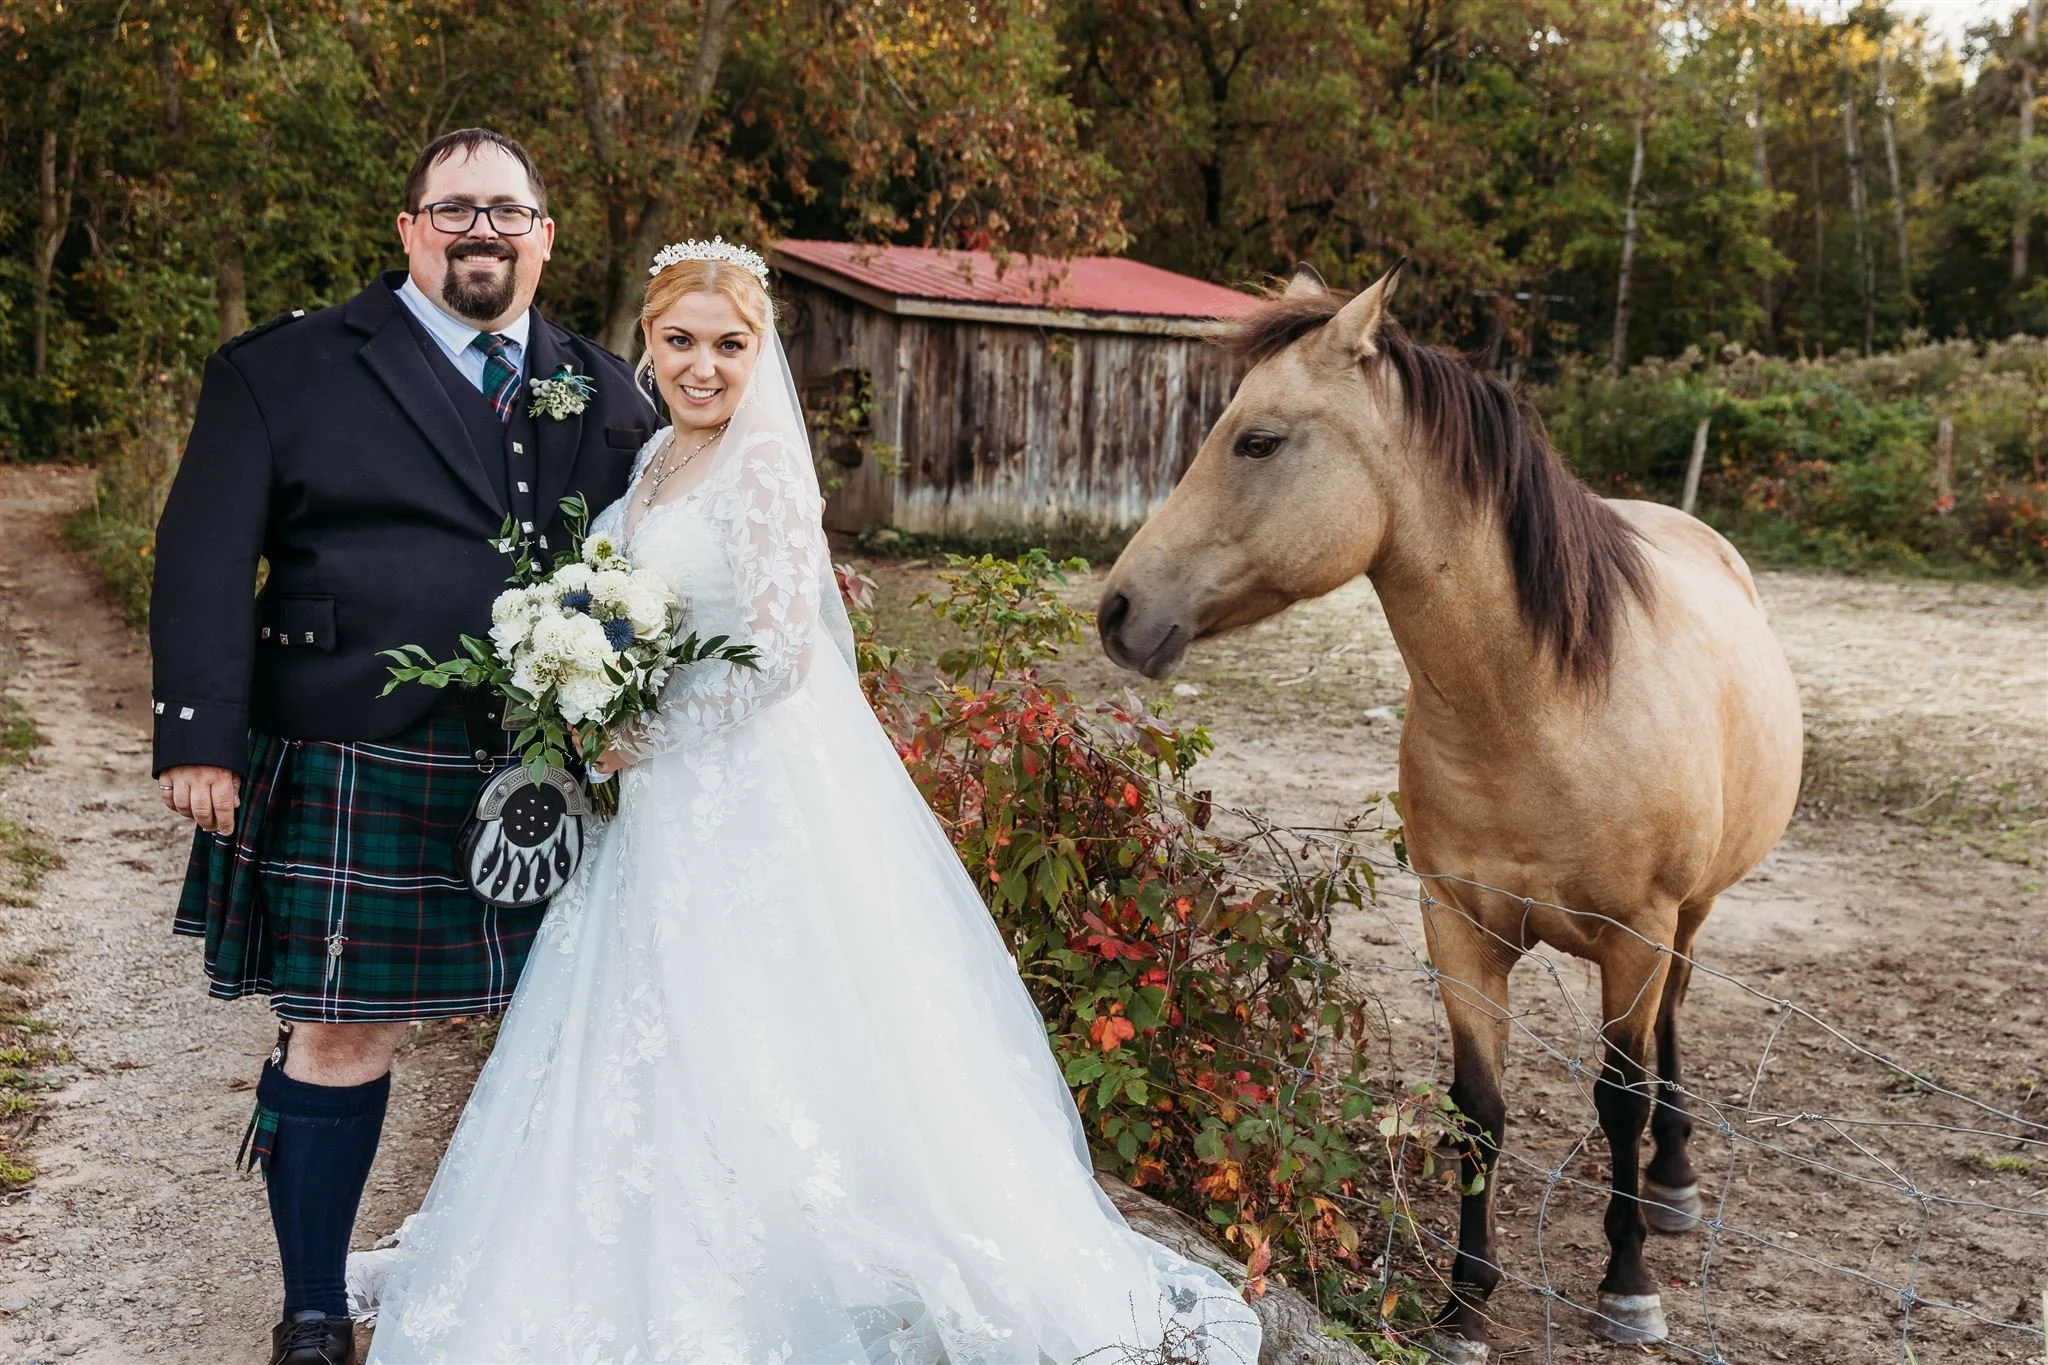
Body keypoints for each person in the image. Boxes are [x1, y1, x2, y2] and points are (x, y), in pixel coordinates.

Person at [358, 240, 1264, 1365]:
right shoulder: (649, 468)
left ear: (760, 350)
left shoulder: (764, 468)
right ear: (648, 341)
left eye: (728, 346)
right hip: (650, 808)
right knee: (645, 1017)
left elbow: (780, 654)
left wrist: (643, 728)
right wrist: (585, 697)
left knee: (760, 1015)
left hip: (744, 790)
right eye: (680, 342)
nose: (701, 367)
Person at [149, 128, 657, 1365]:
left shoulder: (608, 387)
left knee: (563, 1029)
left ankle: (522, 1289)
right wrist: (197, 734)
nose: (479, 229)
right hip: (352, 742)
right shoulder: (286, 367)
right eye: (453, 208)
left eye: (505, 210)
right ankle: (314, 1311)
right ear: (409, 230)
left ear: (542, 236)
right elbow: (205, 556)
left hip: (550, 761)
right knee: (338, 1032)